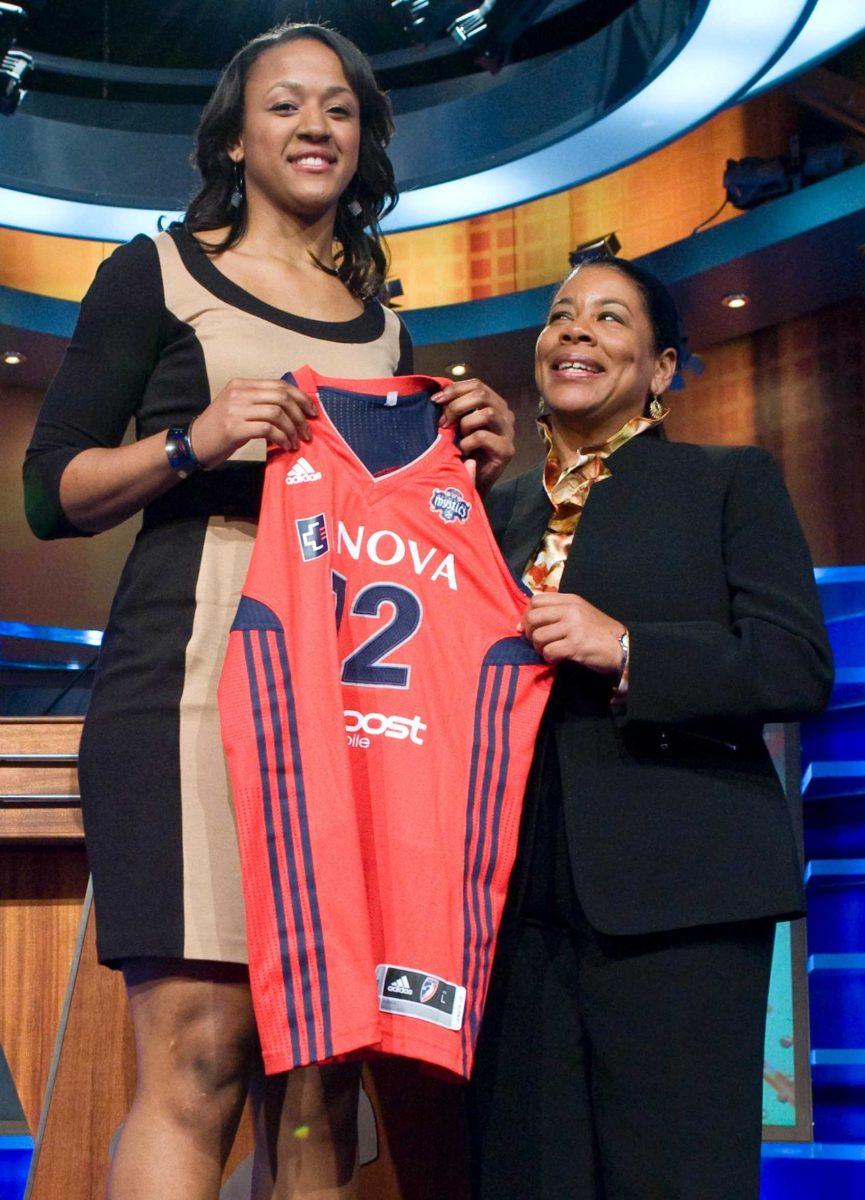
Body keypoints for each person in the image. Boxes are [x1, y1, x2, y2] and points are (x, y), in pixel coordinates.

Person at [23, 21, 514, 1200]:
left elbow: (417, 534)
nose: (313, 127)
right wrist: (195, 440)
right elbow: (51, 491)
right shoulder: (153, 272)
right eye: (285, 106)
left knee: (319, 1086)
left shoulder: (389, 330)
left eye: (337, 110)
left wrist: (485, 462)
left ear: (364, 142)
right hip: (188, 693)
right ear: (236, 139)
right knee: (198, 1055)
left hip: (346, 711)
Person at [468, 252, 833, 1200]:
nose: (575, 332)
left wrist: (628, 648)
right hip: (510, 912)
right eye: (559, 316)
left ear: (663, 368)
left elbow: (794, 664)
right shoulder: (484, 511)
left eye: (609, 319)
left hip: (680, 900)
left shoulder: (725, 482)